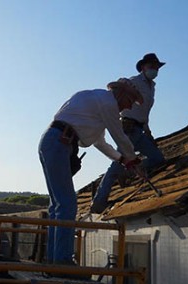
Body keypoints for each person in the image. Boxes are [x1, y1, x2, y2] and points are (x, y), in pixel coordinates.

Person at [38, 79, 143, 266]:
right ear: (121, 95)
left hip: (55, 141)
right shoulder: (108, 103)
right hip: (60, 142)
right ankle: (61, 262)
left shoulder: (96, 104)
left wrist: (121, 159)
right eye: (128, 102)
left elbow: (100, 143)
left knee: (58, 205)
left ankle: (53, 260)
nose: (127, 108)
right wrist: (132, 159)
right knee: (67, 204)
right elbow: (119, 135)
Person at [90, 53, 167, 214]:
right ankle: (99, 201)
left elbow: (145, 111)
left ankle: (127, 172)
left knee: (157, 159)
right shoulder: (133, 82)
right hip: (129, 127)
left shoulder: (152, 87)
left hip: (140, 129)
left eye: (156, 67)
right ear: (143, 67)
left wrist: (148, 130)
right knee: (117, 164)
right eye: (151, 66)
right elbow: (117, 91)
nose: (155, 69)